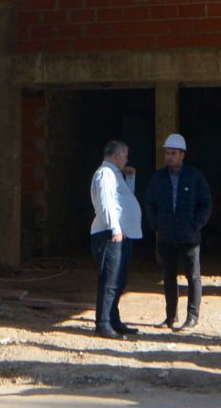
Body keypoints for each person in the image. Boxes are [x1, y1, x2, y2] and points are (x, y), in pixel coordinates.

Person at [144, 134, 213, 331]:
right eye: (167, 153)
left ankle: (192, 316)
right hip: (166, 236)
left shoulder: (195, 176)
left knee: (193, 276)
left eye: (173, 153)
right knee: (169, 276)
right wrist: (156, 225)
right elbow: (150, 204)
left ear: (182, 155)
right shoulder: (158, 178)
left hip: (189, 236)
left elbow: (206, 203)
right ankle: (170, 317)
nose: (169, 157)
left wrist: (196, 225)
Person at [87, 140, 143, 339]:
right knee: (110, 280)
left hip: (119, 233)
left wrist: (131, 178)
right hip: (110, 234)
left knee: (119, 280)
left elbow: (123, 200)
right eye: (125, 154)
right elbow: (105, 203)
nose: (127, 159)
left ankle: (113, 320)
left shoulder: (115, 174)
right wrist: (114, 228)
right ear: (116, 155)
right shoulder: (105, 174)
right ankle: (103, 323)